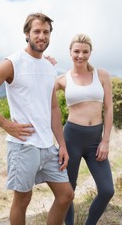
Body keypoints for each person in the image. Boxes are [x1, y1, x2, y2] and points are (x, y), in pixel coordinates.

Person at [0, 12, 74, 225]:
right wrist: (6, 124)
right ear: (27, 34)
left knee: (66, 196)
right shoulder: (12, 63)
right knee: (23, 198)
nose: (41, 36)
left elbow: (53, 107)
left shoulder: (48, 66)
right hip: (23, 146)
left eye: (46, 32)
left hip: (48, 146)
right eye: (36, 31)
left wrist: (61, 144)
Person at [55, 33, 114, 225]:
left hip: (96, 140)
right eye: (76, 51)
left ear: (91, 52)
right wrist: (45, 65)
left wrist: (105, 140)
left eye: (85, 51)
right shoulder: (62, 79)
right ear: (70, 52)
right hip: (71, 138)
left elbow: (109, 107)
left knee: (107, 190)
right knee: (68, 191)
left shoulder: (102, 75)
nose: (80, 55)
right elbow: (39, 92)